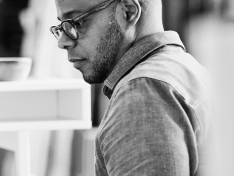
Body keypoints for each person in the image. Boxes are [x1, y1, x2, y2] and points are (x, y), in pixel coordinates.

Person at [51, 0, 210, 175]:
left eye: (77, 22)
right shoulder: (186, 70)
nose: (62, 42)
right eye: (61, 27)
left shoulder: (142, 96)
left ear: (128, 12)